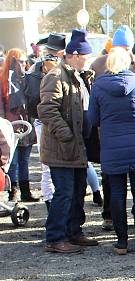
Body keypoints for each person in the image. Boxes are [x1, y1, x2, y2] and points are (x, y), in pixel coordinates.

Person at [87, 47, 135, 255]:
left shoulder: (98, 86)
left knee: (116, 194)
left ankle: (121, 242)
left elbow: (93, 119)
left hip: (111, 147)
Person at [38, 29, 98, 254]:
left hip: (77, 145)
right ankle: (55, 237)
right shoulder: (55, 76)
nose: (88, 60)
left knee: (78, 190)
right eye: (85, 56)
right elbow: (47, 109)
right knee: (64, 192)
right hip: (62, 147)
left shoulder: (80, 76)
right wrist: (66, 135)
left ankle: (74, 231)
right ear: (73, 55)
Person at [26, 33, 65, 207]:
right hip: (61, 119)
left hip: (40, 119)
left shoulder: (35, 67)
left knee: (46, 166)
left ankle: (50, 202)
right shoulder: (62, 67)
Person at [1, 48, 37, 203]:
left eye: (25, 61)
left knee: (24, 161)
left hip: (26, 123)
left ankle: (25, 191)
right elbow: (1, 105)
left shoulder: (26, 79)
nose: (24, 64)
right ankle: (13, 191)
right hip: (10, 125)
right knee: (13, 161)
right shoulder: (3, 80)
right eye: (20, 61)